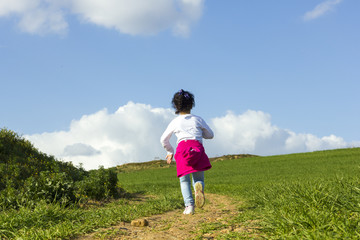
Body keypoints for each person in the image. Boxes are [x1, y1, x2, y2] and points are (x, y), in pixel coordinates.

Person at [160, 89, 214, 215]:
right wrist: (200, 134)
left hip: (182, 150)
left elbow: (163, 139)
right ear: (192, 104)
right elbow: (210, 135)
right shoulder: (198, 119)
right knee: (198, 178)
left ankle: (189, 206)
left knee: (184, 181)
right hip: (197, 149)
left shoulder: (175, 122)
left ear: (175, 106)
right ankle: (198, 188)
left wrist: (170, 151)